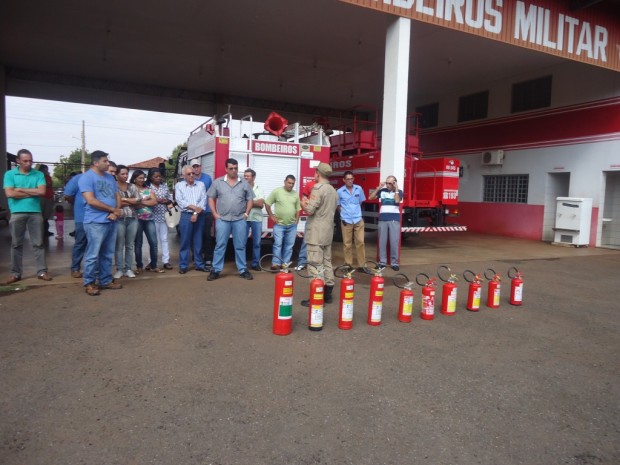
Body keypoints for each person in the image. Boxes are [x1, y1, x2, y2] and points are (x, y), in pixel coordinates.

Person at [3, 149, 52, 283]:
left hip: (35, 212)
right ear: (18, 161)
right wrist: (32, 192)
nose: (28, 163)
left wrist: (20, 190)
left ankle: (42, 271)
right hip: (16, 213)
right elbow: (10, 194)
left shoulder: (38, 174)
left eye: (30, 161)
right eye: (25, 161)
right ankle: (15, 273)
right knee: (16, 244)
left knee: (38, 243)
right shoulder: (10, 174)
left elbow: (42, 192)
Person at [79, 150, 122, 296]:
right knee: (93, 254)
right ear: (95, 163)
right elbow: (91, 201)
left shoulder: (110, 178)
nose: (108, 163)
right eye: (105, 161)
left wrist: (115, 211)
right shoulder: (86, 178)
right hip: (95, 222)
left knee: (107, 253)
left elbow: (117, 195)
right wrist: (112, 209)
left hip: (111, 220)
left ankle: (105, 280)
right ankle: (89, 282)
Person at [206, 158, 255, 281]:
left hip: (239, 220)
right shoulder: (218, 182)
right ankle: (215, 270)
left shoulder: (244, 183)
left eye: (236, 168)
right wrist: (215, 214)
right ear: (226, 169)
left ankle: (243, 270)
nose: (234, 170)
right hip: (223, 219)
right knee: (220, 245)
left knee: (240, 246)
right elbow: (211, 198)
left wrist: (246, 214)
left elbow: (250, 199)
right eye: (231, 168)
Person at [300, 163, 338, 305]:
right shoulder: (333, 190)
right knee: (327, 262)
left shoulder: (317, 189)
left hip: (316, 232)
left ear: (318, 173)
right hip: (327, 232)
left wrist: (303, 203)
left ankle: (317, 297)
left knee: (314, 264)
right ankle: (328, 294)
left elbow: (310, 210)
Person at [175, 165, 208, 274]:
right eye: (188, 174)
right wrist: (194, 208)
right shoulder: (179, 185)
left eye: (193, 173)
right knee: (185, 241)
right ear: (183, 175)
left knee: (198, 241)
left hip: (199, 215)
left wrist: (195, 213)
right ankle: (183, 265)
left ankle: (199, 264)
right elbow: (180, 201)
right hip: (186, 215)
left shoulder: (201, 184)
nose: (191, 175)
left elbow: (203, 200)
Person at [131, 169, 163, 273]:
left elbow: (154, 202)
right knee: (138, 243)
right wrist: (146, 200)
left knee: (154, 242)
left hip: (149, 219)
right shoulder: (131, 189)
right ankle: (139, 266)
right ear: (134, 178)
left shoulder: (147, 189)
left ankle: (154, 265)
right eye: (140, 178)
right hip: (137, 220)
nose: (142, 180)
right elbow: (132, 204)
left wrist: (140, 201)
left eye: (143, 178)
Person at [265, 175, 301, 269]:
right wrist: (271, 216)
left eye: (293, 183)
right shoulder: (277, 191)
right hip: (279, 225)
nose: (291, 185)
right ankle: (275, 264)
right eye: (289, 183)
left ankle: (285, 265)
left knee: (289, 246)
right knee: (278, 244)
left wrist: (297, 220)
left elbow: (298, 208)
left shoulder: (295, 194)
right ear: (284, 182)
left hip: (292, 225)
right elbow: (267, 203)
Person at [368, 175, 403, 271]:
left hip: (394, 220)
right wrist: (378, 188)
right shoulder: (382, 191)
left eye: (390, 183)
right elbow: (370, 197)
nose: (388, 185)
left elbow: (397, 200)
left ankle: (394, 263)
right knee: (382, 242)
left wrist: (396, 189)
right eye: (387, 183)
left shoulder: (399, 192)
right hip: (382, 219)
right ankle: (382, 262)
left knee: (394, 242)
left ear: (394, 183)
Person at [113, 165, 140, 279]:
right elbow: (115, 203)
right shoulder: (113, 186)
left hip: (132, 218)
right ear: (116, 175)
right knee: (119, 245)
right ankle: (119, 269)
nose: (125, 176)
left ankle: (128, 268)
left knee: (130, 245)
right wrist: (130, 201)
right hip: (119, 219)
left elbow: (138, 201)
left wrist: (123, 199)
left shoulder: (132, 186)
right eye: (122, 174)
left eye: (126, 174)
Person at [337, 170, 366, 270]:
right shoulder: (340, 191)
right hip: (346, 220)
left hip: (358, 219)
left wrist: (355, 212)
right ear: (344, 180)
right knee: (347, 244)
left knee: (360, 242)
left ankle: (362, 265)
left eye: (351, 179)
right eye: (348, 179)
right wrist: (344, 214)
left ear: (353, 179)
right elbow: (338, 205)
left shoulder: (359, 189)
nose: (350, 181)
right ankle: (348, 265)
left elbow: (360, 202)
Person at [148, 168, 174, 270]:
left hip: (163, 216)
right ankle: (151, 261)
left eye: (159, 176)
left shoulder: (164, 186)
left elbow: (170, 199)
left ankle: (166, 261)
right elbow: (145, 200)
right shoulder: (148, 187)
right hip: (152, 217)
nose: (158, 178)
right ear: (151, 177)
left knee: (164, 239)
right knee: (153, 241)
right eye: (156, 176)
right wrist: (156, 200)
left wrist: (166, 200)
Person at [190, 159, 214, 267]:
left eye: (197, 166)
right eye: (194, 167)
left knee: (207, 236)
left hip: (206, 211)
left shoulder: (207, 178)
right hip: (193, 211)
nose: (196, 169)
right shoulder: (190, 178)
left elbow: (211, 194)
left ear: (201, 167)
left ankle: (208, 258)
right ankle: (196, 257)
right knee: (194, 235)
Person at [64, 171, 87, 278]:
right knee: (80, 242)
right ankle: (75, 268)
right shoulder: (78, 178)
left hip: (99, 218)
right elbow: (68, 195)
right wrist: (77, 203)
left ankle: (95, 269)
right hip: (82, 217)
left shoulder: (105, 179)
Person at [244, 168, 264, 272]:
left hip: (257, 219)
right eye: (245, 176)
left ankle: (255, 264)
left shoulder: (259, 189)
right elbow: (240, 202)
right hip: (244, 218)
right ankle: (242, 265)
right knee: (242, 243)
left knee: (257, 243)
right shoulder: (241, 188)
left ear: (253, 177)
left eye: (248, 176)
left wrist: (248, 202)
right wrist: (254, 202)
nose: (245, 177)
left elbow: (261, 204)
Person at [295, 179, 315, 271]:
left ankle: (316, 264)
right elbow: (303, 199)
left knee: (320, 242)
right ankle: (302, 263)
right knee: (306, 240)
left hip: (321, 219)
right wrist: (306, 207)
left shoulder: (325, 185)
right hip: (311, 217)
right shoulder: (310, 184)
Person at [38, 164, 54, 236]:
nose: (46, 171)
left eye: (46, 170)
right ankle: (40, 231)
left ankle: (46, 230)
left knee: (47, 215)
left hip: (49, 197)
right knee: (40, 215)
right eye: (45, 170)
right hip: (41, 197)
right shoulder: (38, 177)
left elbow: (49, 184)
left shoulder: (48, 177)